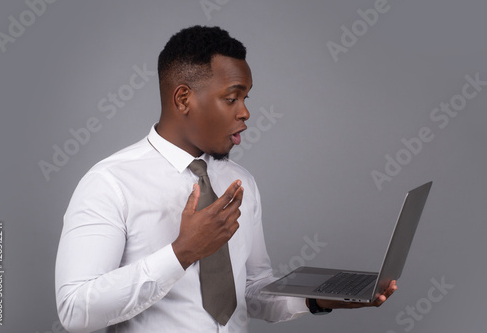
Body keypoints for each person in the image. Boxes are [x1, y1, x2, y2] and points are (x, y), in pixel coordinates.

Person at [55, 25, 397, 333]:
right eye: (232, 98)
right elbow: (75, 310)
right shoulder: (110, 183)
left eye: (245, 98)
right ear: (184, 99)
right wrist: (183, 252)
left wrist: (320, 300)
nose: (245, 112)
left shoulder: (239, 181)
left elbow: (252, 290)